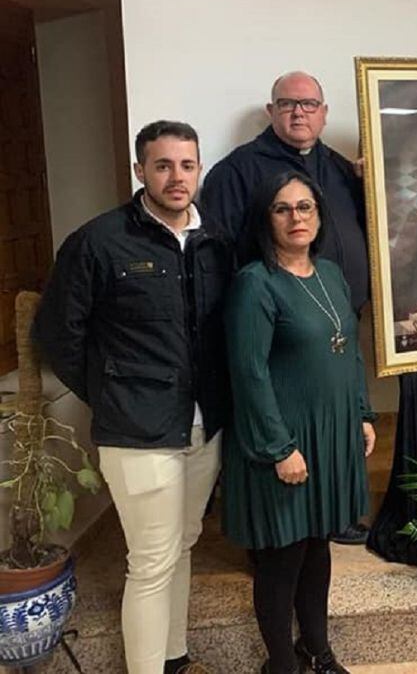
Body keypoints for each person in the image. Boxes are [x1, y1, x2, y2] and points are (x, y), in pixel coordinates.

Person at [33, 121, 230, 674]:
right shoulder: (99, 241)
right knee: (150, 562)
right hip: (136, 432)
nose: (176, 177)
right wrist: (111, 394)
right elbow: (56, 334)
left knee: (183, 544)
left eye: (186, 165)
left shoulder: (216, 242)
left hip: (202, 424)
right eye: (163, 165)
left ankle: (174, 659)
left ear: (198, 170)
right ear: (140, 171)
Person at [201, 70, 371, 545]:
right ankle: (274, 538)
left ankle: (330, 514)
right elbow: (219, 254)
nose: (300, 112)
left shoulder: (338, 167)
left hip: (334, 316)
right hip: (276, 326)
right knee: (286, 429)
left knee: (330, 426)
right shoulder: (238, 170)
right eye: (289, 103)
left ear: (324, 113)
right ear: (271, 110)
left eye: (310, 104)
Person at [222, 171, 376, 674]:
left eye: (305, 207)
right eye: (283, 208)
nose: (296, 218)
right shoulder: (255, 283)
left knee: (317, 549)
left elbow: (348, 349)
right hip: (286, 442)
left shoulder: (331, 274)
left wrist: (362, 413)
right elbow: (248, 373)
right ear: (266, 219)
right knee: (282, 559)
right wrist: (278, 448)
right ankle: (282, 664)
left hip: (331, 434)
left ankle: (317, 650)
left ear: (319, 214)